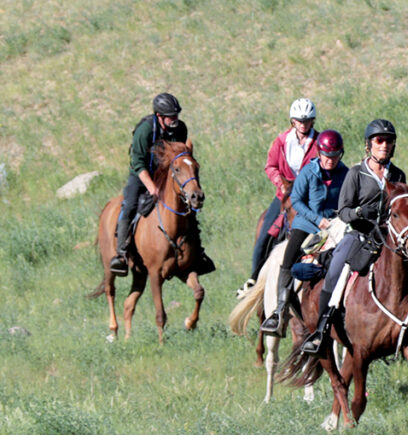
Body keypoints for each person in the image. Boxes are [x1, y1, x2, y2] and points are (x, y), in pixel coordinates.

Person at [301, 119, 408, 358]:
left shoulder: (397, 174)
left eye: (388, 141)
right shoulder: (356, 174)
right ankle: (321, 329)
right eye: (379, 140)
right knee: (336, 268)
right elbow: (344, 211)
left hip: (390, 238)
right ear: (369, 144)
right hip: (359, 234)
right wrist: (361, 213)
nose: (384, 145)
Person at [110, 93, 215, 276]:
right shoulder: (145, 131)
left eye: (176, 115)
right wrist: (152, 187)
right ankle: (121, 255)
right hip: (141, 174)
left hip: (168, 175)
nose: (175, 120)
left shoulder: (180, 128)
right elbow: (138, 163)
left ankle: (197, 252)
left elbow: (181, 159)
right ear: (159, 116)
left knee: (188, 207)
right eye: (170, 116)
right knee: (130, 205)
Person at [259, 129, 348, 333]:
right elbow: (296, 201)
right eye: (327, 155)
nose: (330, 160)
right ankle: (280, 310)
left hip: (335, 225)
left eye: (335, 156)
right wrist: (318, 220)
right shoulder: (308, 172)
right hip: (306, 224)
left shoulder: (345, 174)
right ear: (319, 153)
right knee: (288, 259)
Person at [238, 98, 320, 297]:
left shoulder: (318, 142)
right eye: (299, 120)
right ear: (292, 121)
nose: (303, 124)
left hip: (310, 197)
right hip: (285, 195)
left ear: (312, 121)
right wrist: (280, 183)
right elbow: (270, 166)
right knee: (265, 235)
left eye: (307, 120)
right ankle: (253, 278)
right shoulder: (282, 141)